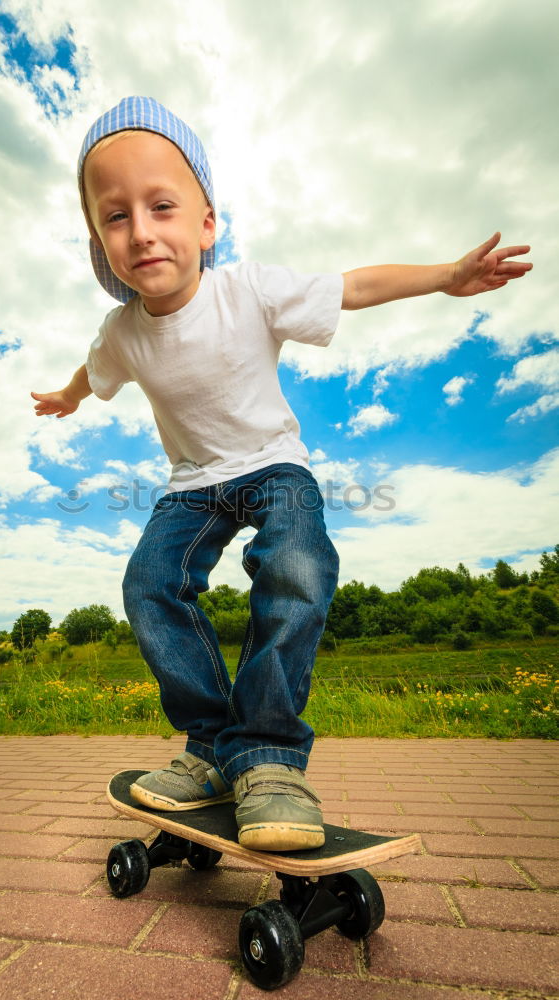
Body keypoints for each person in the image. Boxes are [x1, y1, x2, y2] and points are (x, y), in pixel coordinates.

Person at [32, 96, 532, 851]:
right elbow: (92, 369)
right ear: (100, 242)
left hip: (274, 466)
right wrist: (69, 398)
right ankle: (211, 750)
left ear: (206, 223)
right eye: (115, 216)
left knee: (296, 563)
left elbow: (350, 288)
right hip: (193, 485)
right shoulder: (123, 332)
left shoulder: (250, 291)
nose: (140, 231)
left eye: (161, 206)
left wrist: (444, 277)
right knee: (149, 584)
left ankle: (267, 756)